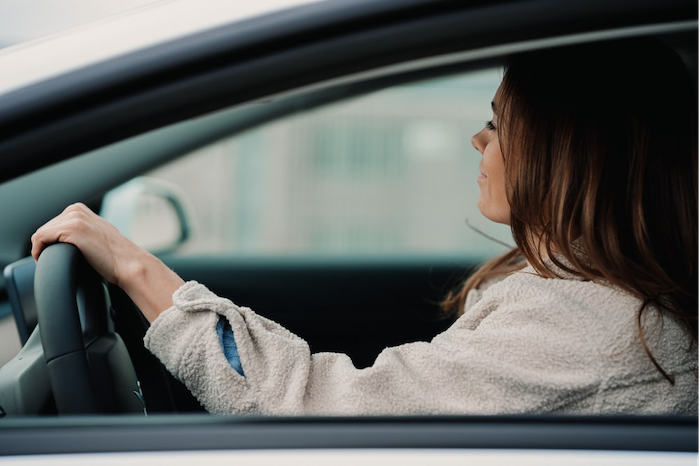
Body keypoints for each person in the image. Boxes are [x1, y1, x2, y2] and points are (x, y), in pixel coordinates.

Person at [31, 38, 698, 416]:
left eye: (498, 123)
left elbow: (308, 409)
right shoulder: (595, 302)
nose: (479, 140)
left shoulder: (592, 323)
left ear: (563, 149)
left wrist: (134, 267)